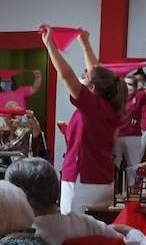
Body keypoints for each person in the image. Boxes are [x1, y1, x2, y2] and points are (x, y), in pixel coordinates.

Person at [41, 25, 126, 217]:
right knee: (96, 231)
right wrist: (84, 42)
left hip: (82, 180)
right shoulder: (111, 105)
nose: (83, 76)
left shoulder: (93, 105)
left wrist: (50, 46)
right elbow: (96, 73)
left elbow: (66, 75)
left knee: (73, 233)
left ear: (93, 88)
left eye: (85, 77)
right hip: (103, 180)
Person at [115, 69, 146, 193]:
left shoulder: (139, 96)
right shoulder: (116, 98)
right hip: (117, 136)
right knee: (115, 165)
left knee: (133, 166)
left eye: (131, 84)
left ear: (135, 87)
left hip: (133, 136)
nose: (128, 87)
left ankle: (133, 195)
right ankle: (114, 192)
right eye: (125, 84)